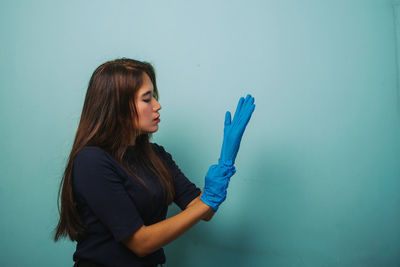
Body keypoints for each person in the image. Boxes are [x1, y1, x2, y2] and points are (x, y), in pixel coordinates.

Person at [53, 58, 255, 267]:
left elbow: (203, 211)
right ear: (118, 106)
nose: (158, 106)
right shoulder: (91, 161)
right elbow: (141, 242)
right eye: (147, 99)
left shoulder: (156, 156)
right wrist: (207, 201)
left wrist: (225, 161)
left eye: (154, 97)